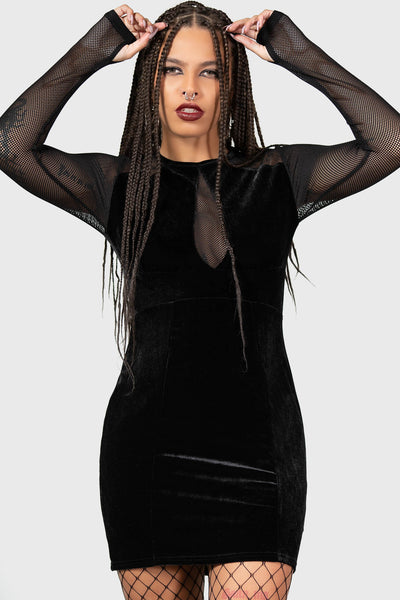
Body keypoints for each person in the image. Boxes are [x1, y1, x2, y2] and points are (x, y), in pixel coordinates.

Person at [1, 2, 399, 599]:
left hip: (260, 449)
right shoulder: (119, 186)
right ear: (150, 80)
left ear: (231, 83)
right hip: (148, 452)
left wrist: (292, 48)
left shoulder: (281, 175)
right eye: (172, 70)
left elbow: (390, 142)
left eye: (210, 71)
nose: (190, 87)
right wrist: (97, 45)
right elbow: (11, 147)